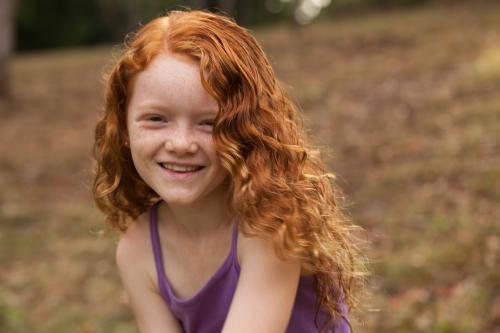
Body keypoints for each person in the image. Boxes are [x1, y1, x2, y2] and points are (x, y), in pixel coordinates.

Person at [93, 9, 367, 333]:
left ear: (248, 129)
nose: (181, 143)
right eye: (156, 119)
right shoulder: (137, 251)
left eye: (209, 123)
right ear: (122, 128)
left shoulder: (268, 226)